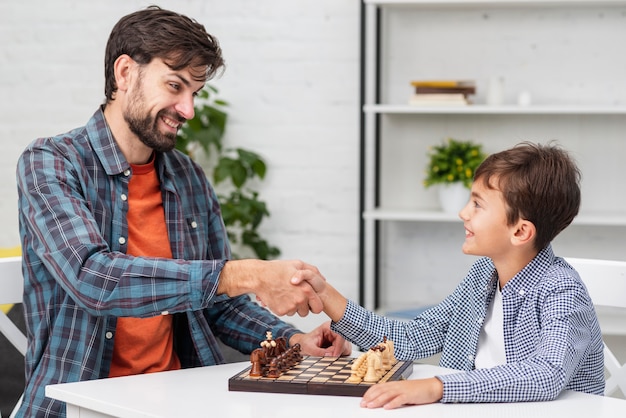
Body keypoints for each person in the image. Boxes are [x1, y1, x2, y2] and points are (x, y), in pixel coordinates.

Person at [15, 7, 350, 417]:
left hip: (181, 398)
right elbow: (93, 278)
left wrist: (291, 341)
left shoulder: (187, 176)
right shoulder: (50, 162)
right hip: (79, 404)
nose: (188, 109)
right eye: (174, 86)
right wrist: (247, 273)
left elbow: (219, 304)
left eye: (194, 93)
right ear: (124, 73)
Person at [296, 142, 604, 409]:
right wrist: (328, 297)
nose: (463, 213)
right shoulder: (483, 274)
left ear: (520, 231)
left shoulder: (562, 290)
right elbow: (415, 337)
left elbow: (545, 375)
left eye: (478, 204)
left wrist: (436, 387)